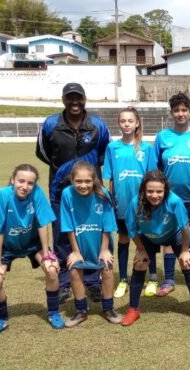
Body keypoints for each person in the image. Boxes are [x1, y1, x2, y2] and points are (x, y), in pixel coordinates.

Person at [35, 82, 111, 303]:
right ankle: (65, 281)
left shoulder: (97, 124)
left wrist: (88, 170)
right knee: (61, 234)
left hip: (91, 189)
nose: (74, 102)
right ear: (63, 100)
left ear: (85, 99)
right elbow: (43, 152)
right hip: (60, 188)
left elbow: (104, 152)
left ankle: (92, 280)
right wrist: (65, 169)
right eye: (70, 98)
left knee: (91, 233)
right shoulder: (51, 124)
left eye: (78, 98)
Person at [120, 170, 190, 326]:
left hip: (175, 235)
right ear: (143, 190)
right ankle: (133, 309)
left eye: (159, 191)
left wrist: (185, 250)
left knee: (186, 263)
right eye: (150, 191)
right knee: (140, 263)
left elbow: (185, 227)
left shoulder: (174, 201)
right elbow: (131, 229)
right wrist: (140, 249)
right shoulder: (136, 203)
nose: (155, 195)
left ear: (165, 190)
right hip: (149, 236)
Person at [0, 164, 61, 336]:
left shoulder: (37, 193)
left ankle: (54, 313)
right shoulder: (3, 195)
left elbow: (43, 223)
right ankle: (1, 318)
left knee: (52, 270)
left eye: (30, 183)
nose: (25, 186)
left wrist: (47, 254)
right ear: (13, 180)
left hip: (32, 243)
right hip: (8, 246)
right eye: (21, 181)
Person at [152, 93, 190, 297]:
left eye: (184, 110)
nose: (180, 114)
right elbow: (156, 169)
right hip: (169, 199)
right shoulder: (163, 137)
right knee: (169, 239)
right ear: (171, 112)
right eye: (176, 110)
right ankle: (169, 279)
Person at [59, 161, 122, 327]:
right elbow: (68, 225)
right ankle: (81, 310)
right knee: (74, 270)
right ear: (72, 180)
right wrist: (75, 251)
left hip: (101, 242)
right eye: (78, 181)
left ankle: (108, 309)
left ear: (94, 180)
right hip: (79, 243)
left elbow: (108, 225)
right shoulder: (67, 194)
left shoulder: (103, 193)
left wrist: (104, 250)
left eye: (87, 181)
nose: (83, 185)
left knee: (107, 268)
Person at [102, 107, 155, 300]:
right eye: (123, 121)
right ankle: (123, 279)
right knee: (123, 238)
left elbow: (152, 177)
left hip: (144, 203)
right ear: (119, 123)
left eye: (130, 121)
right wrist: (112, 200)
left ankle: (153, 278)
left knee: (148, 239)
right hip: (122, 203)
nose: (126, 124)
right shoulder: (112, 148)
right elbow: (110, 179)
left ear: (137, 123)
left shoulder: (146, 148)